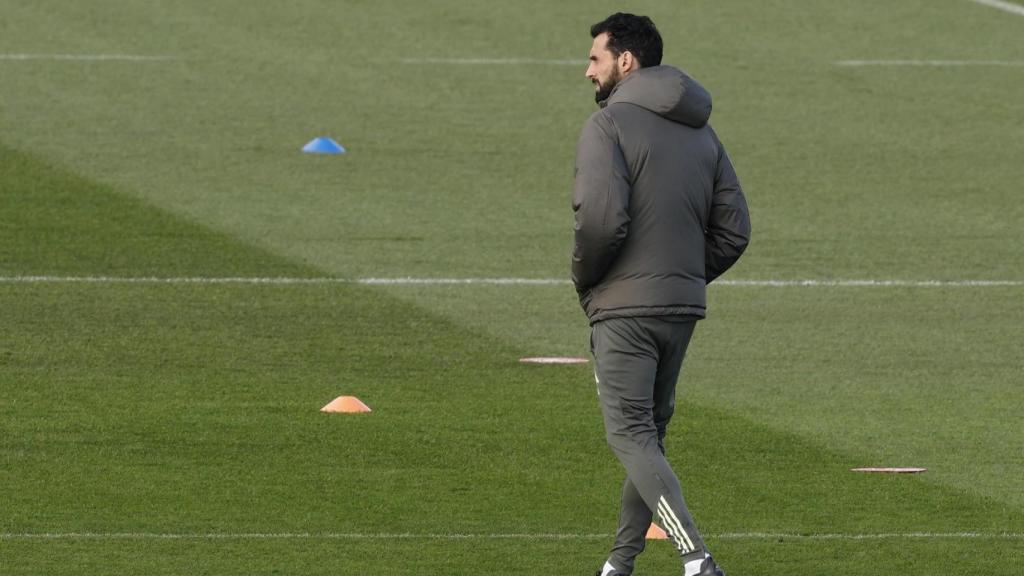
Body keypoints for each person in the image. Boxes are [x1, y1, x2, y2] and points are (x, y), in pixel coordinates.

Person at [571, 12, 751, 576]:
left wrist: (588, 279)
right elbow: (734, 230)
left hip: (623, 310)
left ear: (627, 61)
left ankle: (696, 559)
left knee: (630, 436)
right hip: (680, 309)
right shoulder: (702, 129)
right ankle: (619, 563)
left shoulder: (609, 126)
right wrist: (681, 276)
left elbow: (601, 221)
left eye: (595, 58)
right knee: (647, 440)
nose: (586, 71)